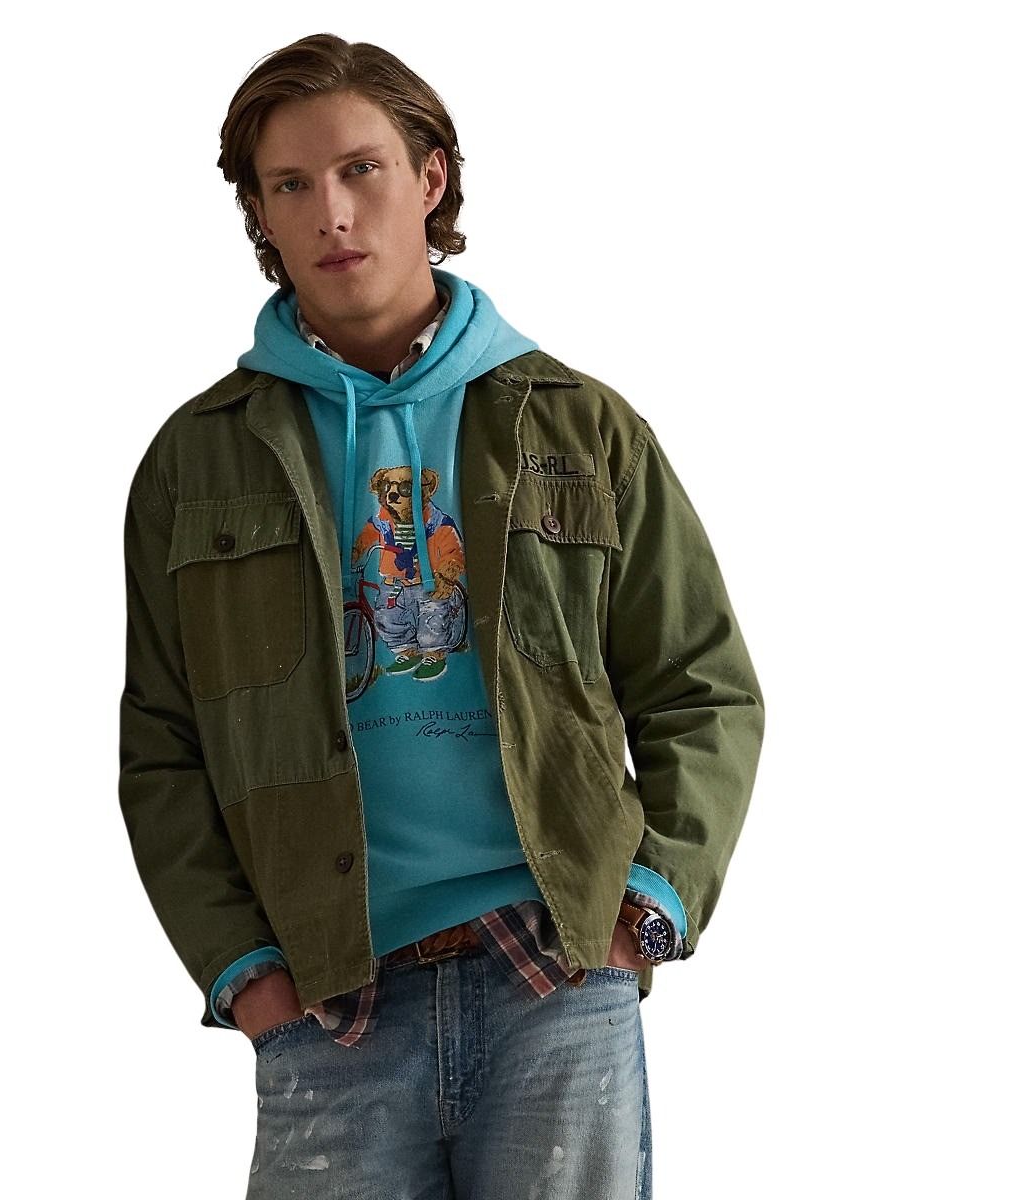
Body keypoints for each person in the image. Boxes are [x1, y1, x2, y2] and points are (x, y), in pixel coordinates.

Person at [118, 32, 764, 1199]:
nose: (332, 213)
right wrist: (244, 971)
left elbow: (701, 686)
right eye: (289, 185)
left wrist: (649, 910)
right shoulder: (198, 461)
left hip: (554, 979)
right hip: (328, 996)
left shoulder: (580, 428)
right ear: (260, 214)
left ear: (431, 177)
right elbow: (162, 748)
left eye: (361, 170)